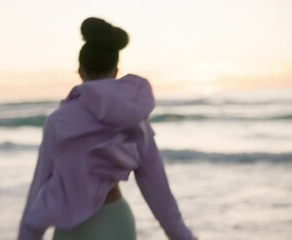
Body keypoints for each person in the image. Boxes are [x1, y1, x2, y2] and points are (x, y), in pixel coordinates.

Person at [18, 17, 196, 240]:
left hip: (70, 228)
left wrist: (28, 235)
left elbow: (40, 184)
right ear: (115, 72)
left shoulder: (59, 121)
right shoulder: (134, 119)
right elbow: (157, 189)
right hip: (115, 220)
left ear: (81, 72)